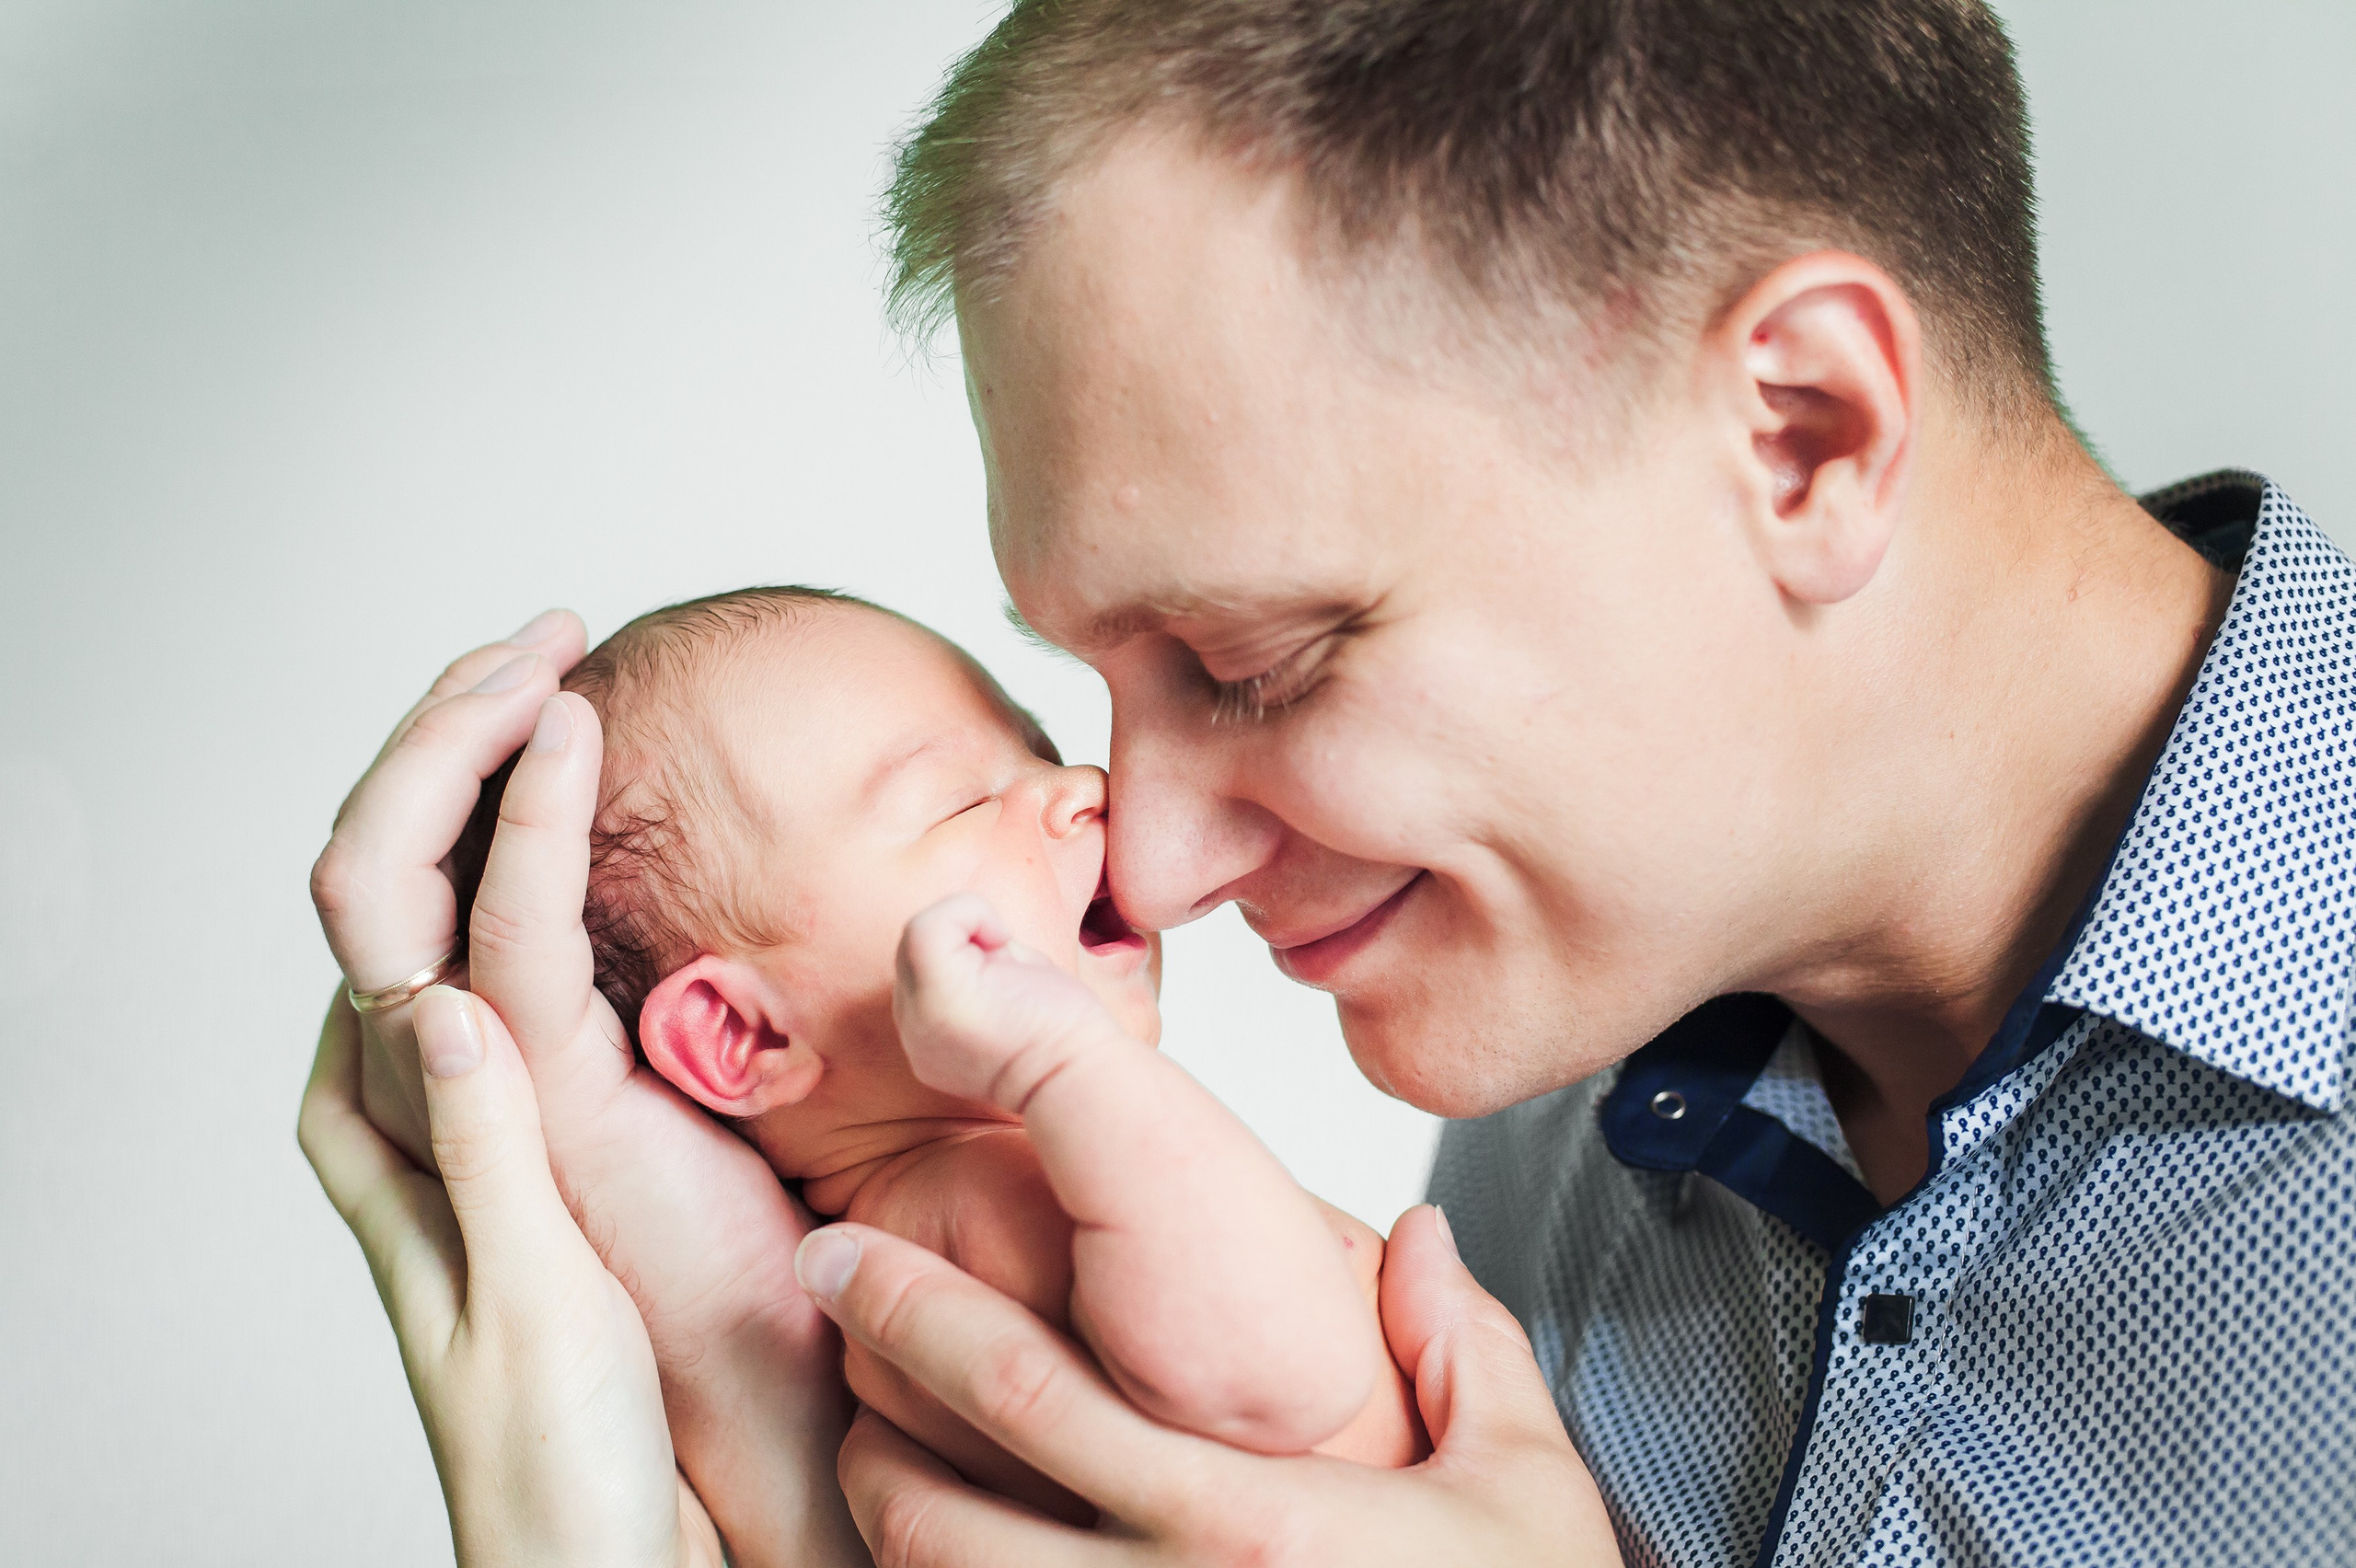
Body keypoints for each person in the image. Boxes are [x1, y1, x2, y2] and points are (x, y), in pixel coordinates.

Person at [306, 0, 2356, 1562]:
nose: (1162, 859)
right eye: (1093, 692)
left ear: (1803, 433)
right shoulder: (1551, 1148)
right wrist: (724, 1431)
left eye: (1248, 665)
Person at [447, 584, 1424, 1506]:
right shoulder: (954, 1221)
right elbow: (1286, 1374)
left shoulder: (1000, 1176)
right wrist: (1060, 1065)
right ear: (743, 1034)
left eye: (1038, 750)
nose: (1082, 784)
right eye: (961, 799)